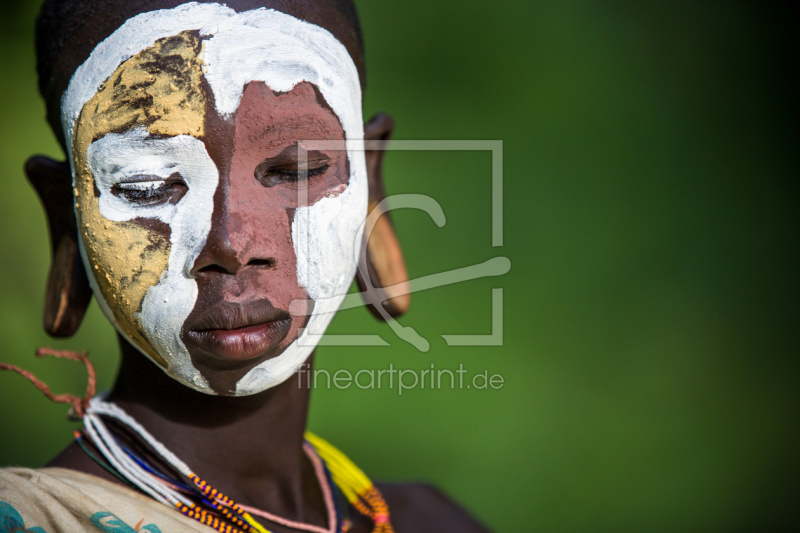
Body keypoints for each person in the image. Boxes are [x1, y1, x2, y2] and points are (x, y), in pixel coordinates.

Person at [0, 1, 489, 532]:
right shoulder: (34, 519)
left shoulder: (433, 521)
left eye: (298, 169)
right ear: (67, 214)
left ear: (368, 177)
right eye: (147, 187)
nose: (232, 243)